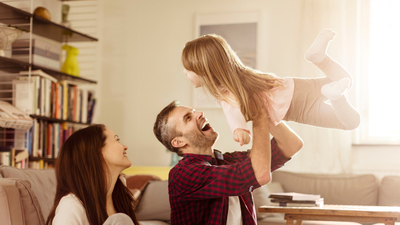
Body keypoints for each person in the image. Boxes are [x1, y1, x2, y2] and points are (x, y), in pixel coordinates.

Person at [182, 29, 361, 146]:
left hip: (296, 109)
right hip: (295, 87)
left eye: (188, 70)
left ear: (204, 71)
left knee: (350, 123)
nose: (185, 73)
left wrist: (239, 129)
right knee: (345, 84)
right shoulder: (243, 77)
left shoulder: (227, 93)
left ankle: (336, 96)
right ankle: (319, 59)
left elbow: (232, 110)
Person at [153, 100, 303, 225]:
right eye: (188, 118)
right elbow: (260, 174)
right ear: (179, 141)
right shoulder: (183, 173)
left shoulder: (226, 161)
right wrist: (259, 115)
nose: (199, 114)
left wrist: (262, 107)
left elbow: (292, 145)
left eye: (194, 111)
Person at [46, 124, 140, 225]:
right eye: (117, 140)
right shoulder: (71, 206)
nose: (125, 147)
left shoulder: (119, 195)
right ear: (98, 152)